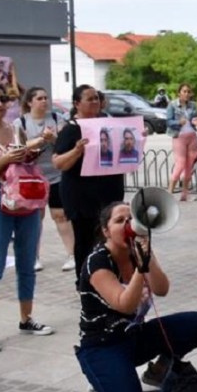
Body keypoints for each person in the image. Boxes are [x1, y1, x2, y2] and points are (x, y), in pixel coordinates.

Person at [76, 201, 197, 392]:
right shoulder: (97, 262)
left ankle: (157, 371)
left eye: (131, 219)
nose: (128, 224)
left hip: (134, 335)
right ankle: (101, 379)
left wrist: (147, 260)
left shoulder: (138, 252)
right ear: (106, 231)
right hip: (103, 344)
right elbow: (125, 305)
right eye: (120, 221)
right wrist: (141, 269)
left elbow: (162, 289)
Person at [0, 81, 56, 352]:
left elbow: (24, 162)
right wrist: (5, 159)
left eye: (3, 99)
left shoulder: (15, 128)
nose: (0, 105)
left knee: (27, 262)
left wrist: (35, 150)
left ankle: (26, 318)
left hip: (24, 197)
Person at [53, 85, 125, 283]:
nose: (95, 102)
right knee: (86, 239)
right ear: (77, 103)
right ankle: (85, 281)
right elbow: (58, 162)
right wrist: (77, 151)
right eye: (90, 99)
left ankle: (111, 278)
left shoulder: (109, 124)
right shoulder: (71, 129)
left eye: (97, 98)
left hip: (109, 190)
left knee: (110, 235)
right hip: (82, 194)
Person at [15, 86, 74, 272]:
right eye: (39, 98)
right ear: (29, 102)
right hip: (32, 177)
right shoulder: (20, 122)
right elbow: (18, 147)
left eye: (46, 98)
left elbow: (65, 144)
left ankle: (72, 255)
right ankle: (34, 257)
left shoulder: (57, 118)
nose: (44, 101)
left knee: (60, 215)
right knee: (35, 218)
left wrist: (54, 138)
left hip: (56, 175)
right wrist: (41, 139)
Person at [166, 84, 197, 202]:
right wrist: (178, 122)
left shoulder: (193, 105)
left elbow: (194, 118)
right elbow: (168, 122)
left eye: (188, 92)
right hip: (179, 136)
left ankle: (185, 194)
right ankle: (169, 194)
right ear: (179, 93)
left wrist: (196, 121)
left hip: (192, 136)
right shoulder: (172, 105)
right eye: (184, 91)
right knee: (180, 164)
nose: (186, 94)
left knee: (189, 166)